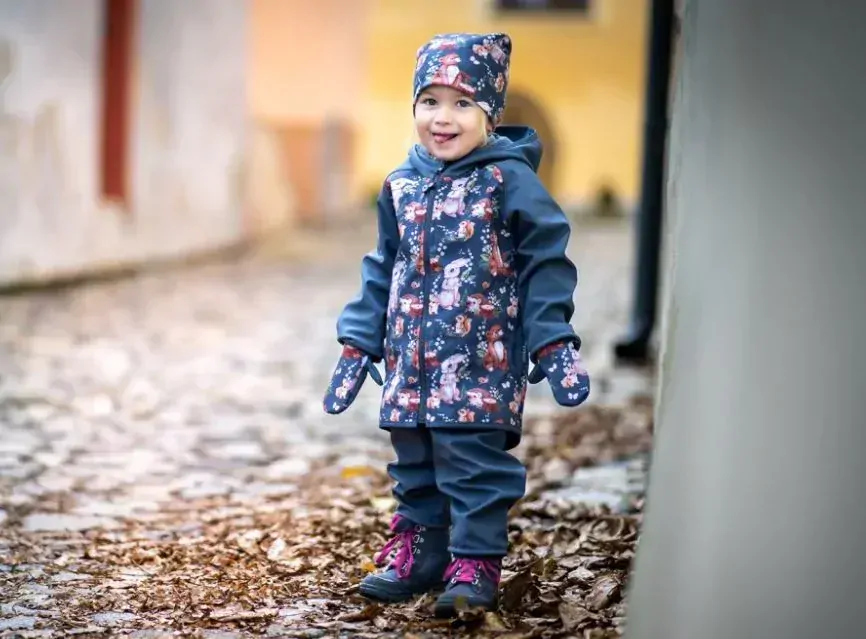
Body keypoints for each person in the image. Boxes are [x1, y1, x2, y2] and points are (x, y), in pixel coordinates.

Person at [322, 32, 590, 617]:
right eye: (430, 101)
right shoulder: (402, 184)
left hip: (479, 363)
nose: (443, 118)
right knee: (413, 460)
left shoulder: (508, 180)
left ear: (490, 113)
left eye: (462, 103)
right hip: (408, 367)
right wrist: (358, 338)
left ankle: (475, 560)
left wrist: (551, 337)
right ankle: (421, 552)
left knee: (473, 464)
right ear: (414, 107)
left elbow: (544, 260)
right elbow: (381, 268)